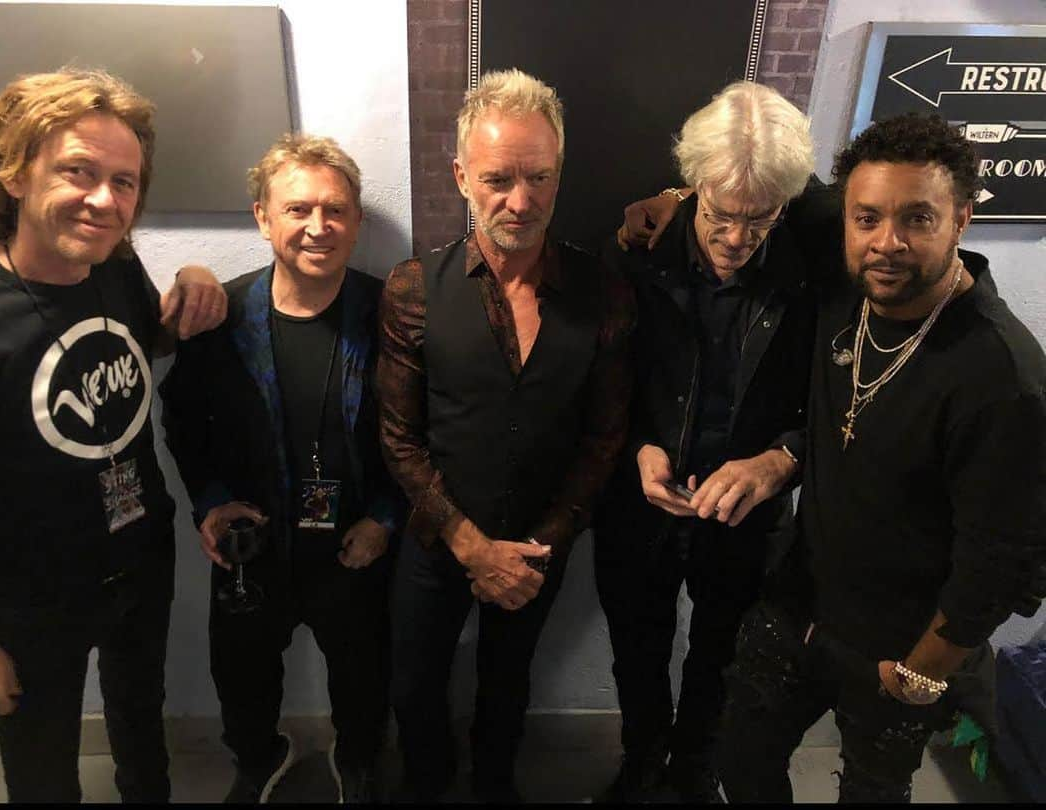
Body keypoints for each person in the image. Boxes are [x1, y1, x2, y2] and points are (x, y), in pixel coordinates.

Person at [620, 113, 1046, 802]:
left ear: (963, 218)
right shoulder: (848, 277)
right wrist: (674, 200)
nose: (888, 243)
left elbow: (1008, 558)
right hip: (798, 600)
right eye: (869, 218)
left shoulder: (1004, 378)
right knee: (741, 762)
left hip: (899, 641)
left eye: (919, 219)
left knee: (872, 792)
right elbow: (755, 182)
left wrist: (927, 672)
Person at [0, 69, 226, 802]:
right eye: (78, 171)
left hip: (141, 551)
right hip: (34, 592)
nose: (105, 200)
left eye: (125, 181)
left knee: (143, 728)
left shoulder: (112, 264)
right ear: (15, 172)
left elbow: (148, 344)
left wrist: (198, 280)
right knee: (44, 769)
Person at [377, 68, 635, 802]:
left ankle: (495, 788)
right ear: (461, 175)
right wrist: (468, 544)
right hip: (437, 541)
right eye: (497, 179)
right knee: (414, 687)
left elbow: (604, 440)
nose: (520, 201)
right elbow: (398, 440)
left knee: (509, 685)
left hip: (537, 545)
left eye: (539, 178)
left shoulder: (606, 292)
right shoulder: (412, 289)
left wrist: (536, 549)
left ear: (560, 175)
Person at [161, 134, 405, 803]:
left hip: (357, 540)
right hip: (252, 544)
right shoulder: (222, 315)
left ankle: (356, 759)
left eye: (335, 210)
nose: (317, 227)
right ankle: (259, 755)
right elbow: (182, 420)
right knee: (240, 676)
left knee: (363, 677)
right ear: (263, 217)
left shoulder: (393, 316)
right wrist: (210, 505)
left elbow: (423, 432)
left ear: (356, 221)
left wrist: (386, 517)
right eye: (298, 210)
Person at [591, 81, 818, 802]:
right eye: (722, 215)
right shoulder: (634, 253)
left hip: (747, 510)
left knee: (724, 655)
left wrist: (781, 459)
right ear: (691, 188)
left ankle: (694, 771)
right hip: (642, 500)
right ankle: (641, 759)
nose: (736, 239)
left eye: (762, 220)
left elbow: (838, 404)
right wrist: (636, 449)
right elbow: (600, 382)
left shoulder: (816, 268)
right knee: (637, 647)